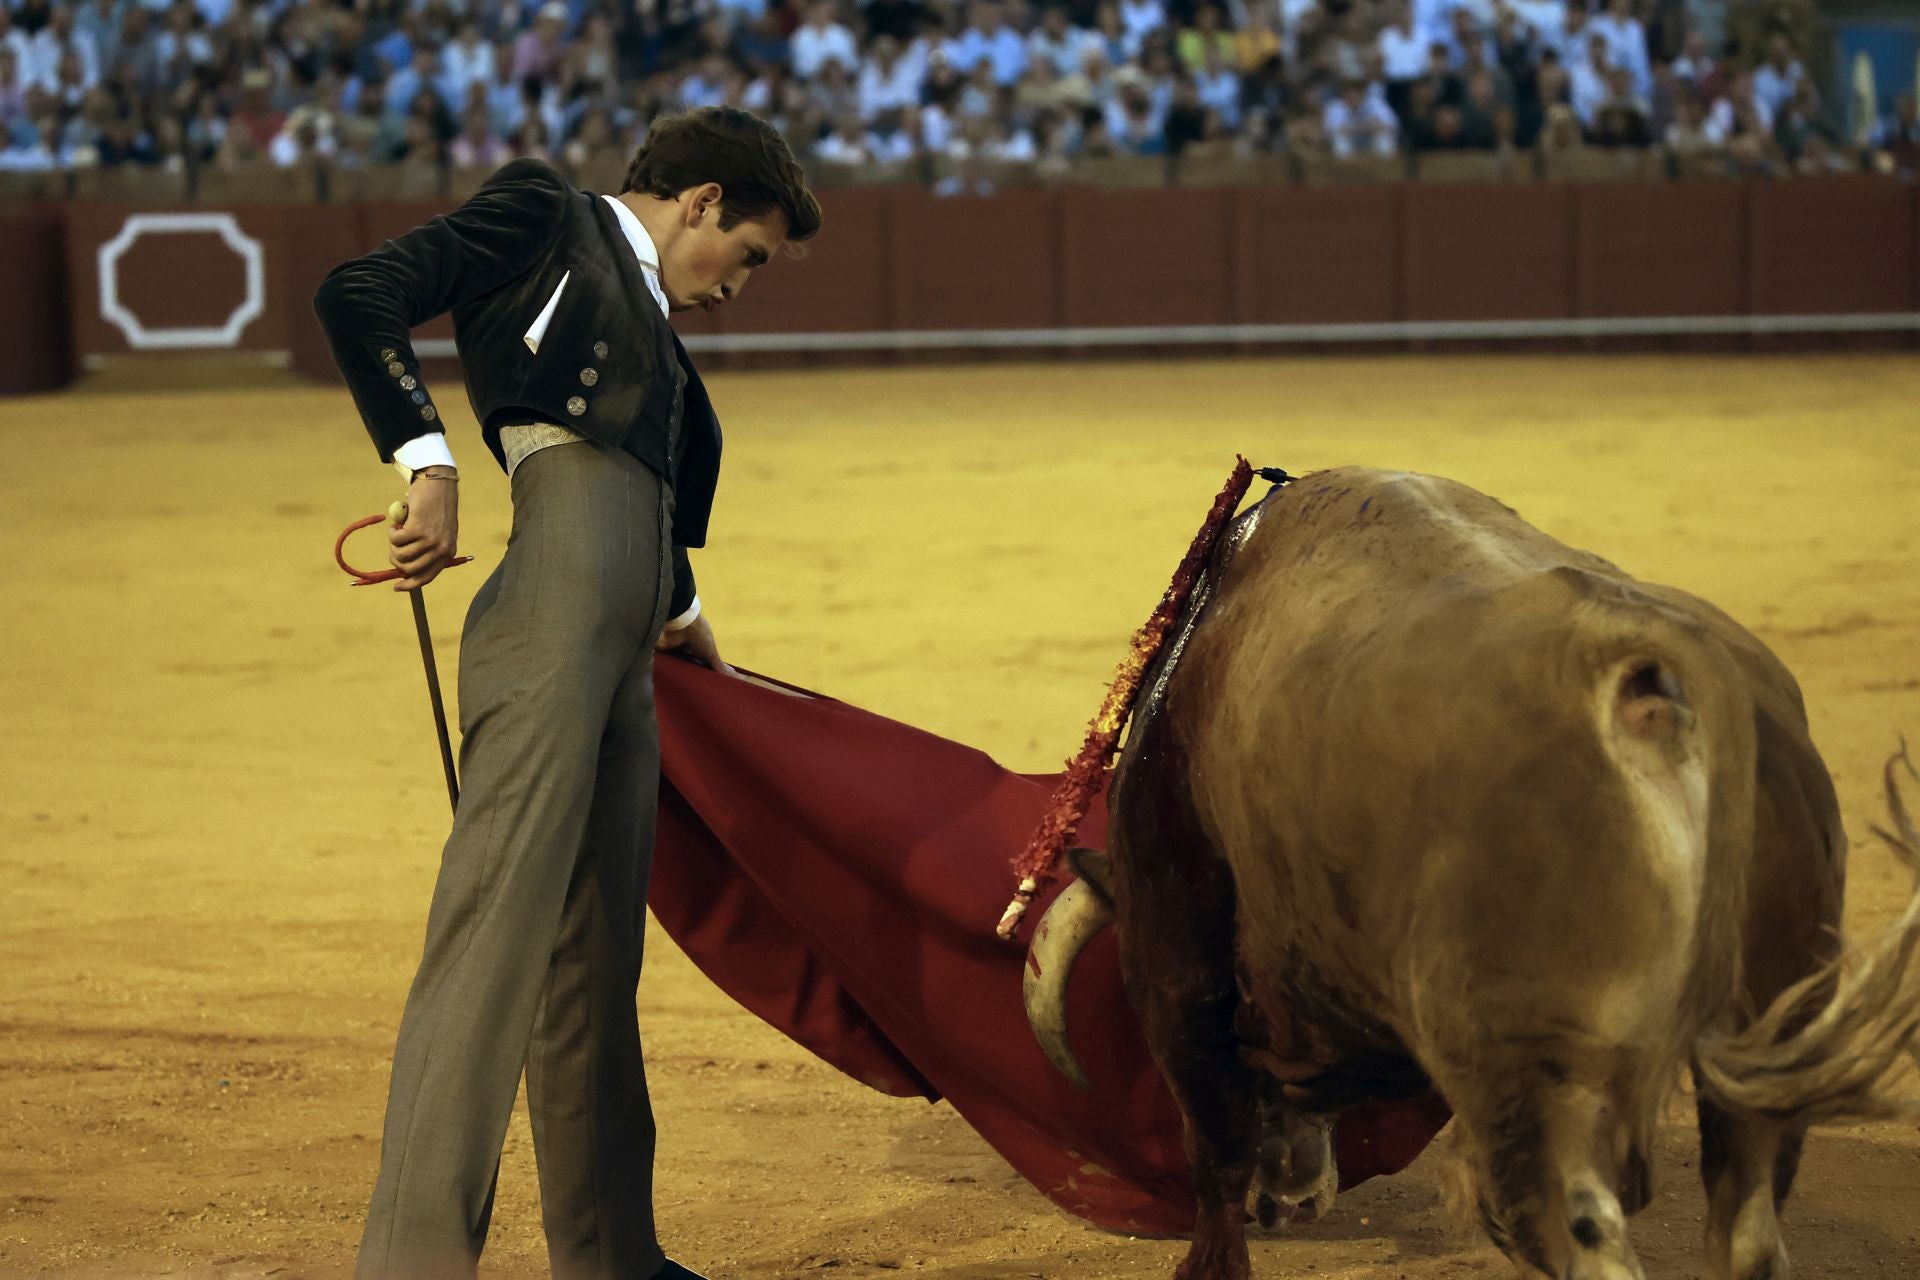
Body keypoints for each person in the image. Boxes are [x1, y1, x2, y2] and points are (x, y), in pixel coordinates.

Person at [312, 105, 823, 1280]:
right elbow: (360, 292)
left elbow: (645, 491)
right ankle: (412, 1259)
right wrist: (426, 462)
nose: (743, 284)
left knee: (593, 953)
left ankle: (611, 1254)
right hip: (548, 615)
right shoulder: (548, 213)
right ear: (700, 202)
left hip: (625, 647)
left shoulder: (653, 322)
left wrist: (688, 622)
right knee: (493, 932)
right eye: (748, 253)